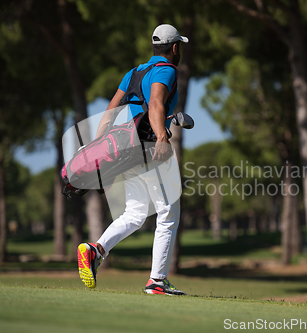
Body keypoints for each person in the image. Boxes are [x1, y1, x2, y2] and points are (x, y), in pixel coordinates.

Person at [77, 24, 189, 296]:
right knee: (168, 213)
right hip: (152, 147)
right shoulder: (167, 70)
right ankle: (157, 281)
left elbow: (111, 109)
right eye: (180, 46)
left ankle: (96, 250)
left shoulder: (134, 72)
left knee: (136, 213)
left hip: (128, 151)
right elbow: (156, 105)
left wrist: (98, 149)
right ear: (174, 48)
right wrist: (163, 137)